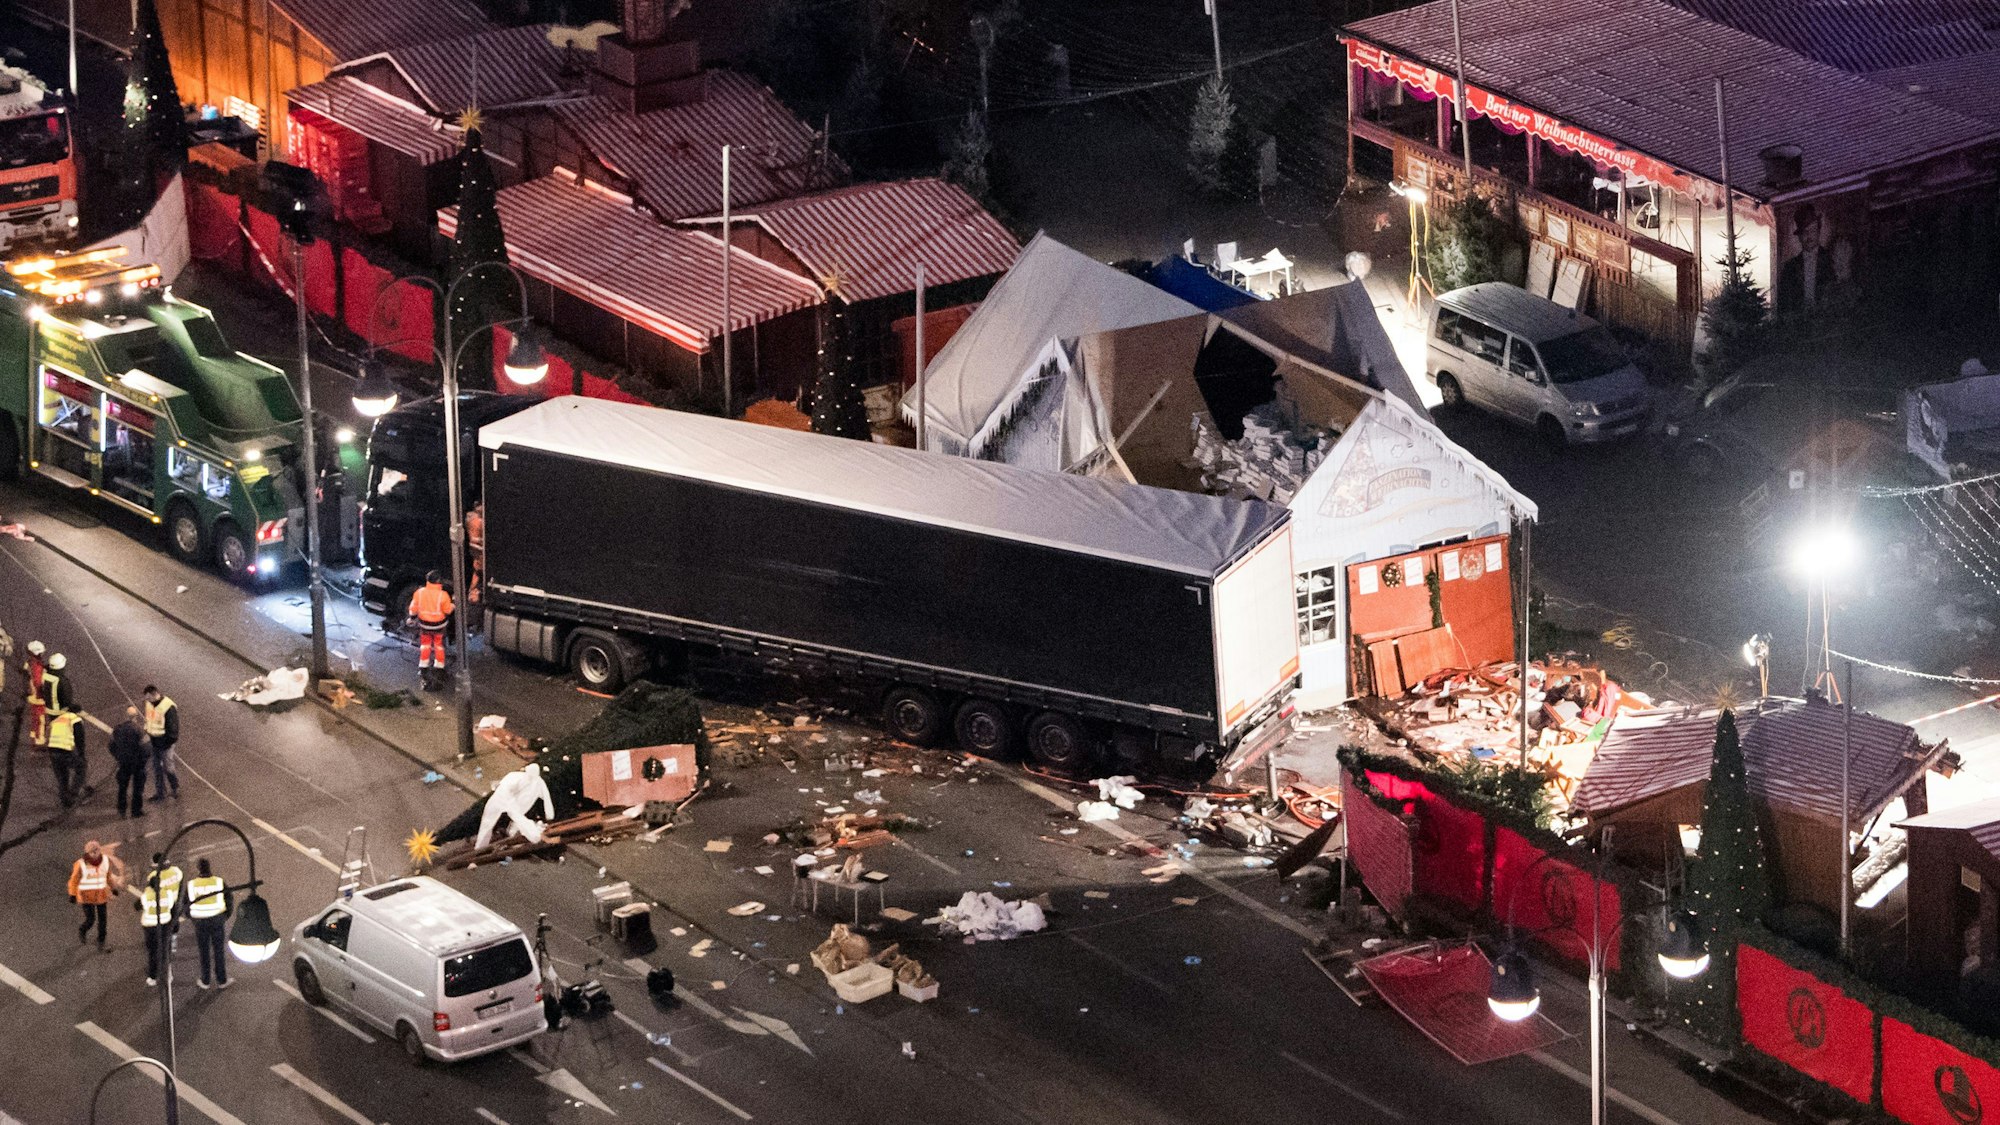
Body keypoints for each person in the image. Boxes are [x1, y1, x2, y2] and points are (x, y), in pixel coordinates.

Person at [135, 852, 182, 986]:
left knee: (152, 952)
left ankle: (153, 976)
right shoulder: (176, 872)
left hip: (150, 926)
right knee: (165, 950)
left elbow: (138, 905)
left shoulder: (149, 886)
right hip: (168, 912)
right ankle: (168, 974)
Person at [67, 839, 124, 949]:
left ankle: (101, 941)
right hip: (86, 897)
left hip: (100, 896)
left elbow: (108, 876)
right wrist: (72, 894)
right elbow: (74, 880)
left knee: (103, 920)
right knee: (91, 920)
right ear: (87, 852)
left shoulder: (105, 861)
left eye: (96, 850)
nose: (95, 853)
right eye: (92, 851)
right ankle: (82, 929)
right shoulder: (81, 864)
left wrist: (113, 888)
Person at [185, 858, 231, 989]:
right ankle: (222, 980)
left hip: (200, 922)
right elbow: (229, 900)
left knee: (204, 951)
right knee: (219, 951)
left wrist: (192, 917)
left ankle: (205, 980)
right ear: (209, 867)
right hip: (217, 920)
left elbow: (185, 903)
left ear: (198, 869)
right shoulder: (218, 882)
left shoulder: (192, 885)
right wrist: (224, 916)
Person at [407, 571, 454, 690]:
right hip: (439, 626)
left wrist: (412, 617)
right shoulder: (443, 595)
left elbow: (413, 608)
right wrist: (453, 603)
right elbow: (448, 610)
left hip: (425, 626)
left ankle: (423, 667)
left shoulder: (419, 593)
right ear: (438, 581)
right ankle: (439, 667)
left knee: (425, 646)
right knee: (438, 646)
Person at [109, 706, 150, 818]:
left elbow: (111, 745)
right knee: (138, 788)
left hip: (123, 763)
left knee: (122, 787)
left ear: (125, 716)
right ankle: (136, 811)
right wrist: (143, 761)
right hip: (137, 764)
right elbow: (146, 748)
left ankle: (122, 810)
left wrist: (118, 756)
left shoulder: (117, 729)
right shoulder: (139, 730)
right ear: (136, 717)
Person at [142, 685, 180, 801]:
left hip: (165, 744)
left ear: (155, 694)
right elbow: (149, 720)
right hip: (154, 742)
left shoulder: (168, 707)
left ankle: (175, 787)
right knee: (156, 768)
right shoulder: (149, 703)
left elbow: (173, 732)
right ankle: (160, 794)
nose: (147, 701)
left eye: (149, 698)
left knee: (168, 767)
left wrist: (165, 744)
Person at [46, 709, 85, 809]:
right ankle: (73, 794)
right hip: (64, 751)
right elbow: (79, 738)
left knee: (63, 776)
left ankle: (65, 801)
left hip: (53, 752)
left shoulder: (57, 720)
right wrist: (81, 754)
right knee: (81, 768)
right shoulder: (74, 719)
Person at [21, 639, 46, 747]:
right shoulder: (37, 666)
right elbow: (38, 681)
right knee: (40, 718)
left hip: (32, 694)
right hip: (38, 696)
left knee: (35, 717)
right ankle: (39, 739)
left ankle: (33, 734)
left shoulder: (29, 662)